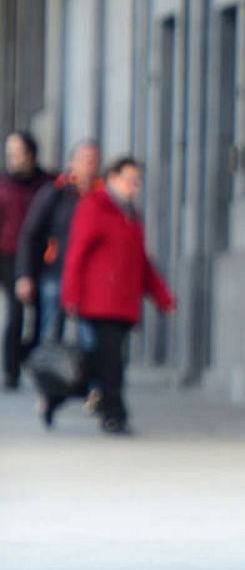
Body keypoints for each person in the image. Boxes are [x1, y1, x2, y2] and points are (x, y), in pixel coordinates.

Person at [50, 157, 175, 434]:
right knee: (111, 362)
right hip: (98, 301)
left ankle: (56, 395)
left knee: (97, 362)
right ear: (113, 178)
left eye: (137, 181)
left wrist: (163, 296)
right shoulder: (94, 207)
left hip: (124, 302)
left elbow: (142, 262)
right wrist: (70, 295)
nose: (134, 186)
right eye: (130, 179)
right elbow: (76, 253)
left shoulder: (130, 215)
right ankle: (114, 414)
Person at [16, 140, 100, 348]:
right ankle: (48, 377)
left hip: (89, 278)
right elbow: (30, 234)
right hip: (55, 272)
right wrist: (25, 274)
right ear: (72, 162)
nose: (91, 166)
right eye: (86, 160)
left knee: (89, 337)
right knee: (50, 333)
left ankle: (87, 378)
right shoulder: (56, 192)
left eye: (94, 161)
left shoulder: (102, 196)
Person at [1, 131, 53, 390]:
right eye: (9, 153)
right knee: (16, 311)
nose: (12, 159)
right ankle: (11, 371)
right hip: (8, 256)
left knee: (45, 311)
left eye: (17, 153)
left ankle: (26, 354)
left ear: (31, 155)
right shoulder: (2, 184)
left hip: (43, 256)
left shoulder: (48, 183)